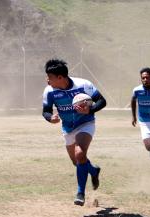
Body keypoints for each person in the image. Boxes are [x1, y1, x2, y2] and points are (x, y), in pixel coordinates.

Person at [42, 59, 106, 206]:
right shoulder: (49, 91)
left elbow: (102, 101)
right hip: (67, 128)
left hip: (85, 124)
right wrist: (50, 118)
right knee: (76, 161)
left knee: (79, 154)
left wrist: (90, 109)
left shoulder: (83, 85)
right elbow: (45, 111)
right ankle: (93, 171)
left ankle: (80, 193)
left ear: (60, 77)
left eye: (49, 77)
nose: (47, 80)